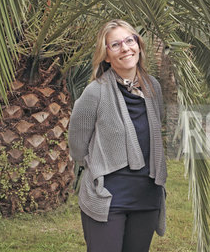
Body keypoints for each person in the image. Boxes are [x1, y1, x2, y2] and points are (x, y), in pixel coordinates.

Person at [69, 19, 167, 252]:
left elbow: (155, 128)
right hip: (108, 197)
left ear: (139, 45)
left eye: (129, 40)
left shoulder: (153, 87)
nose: (125, 48)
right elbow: (77, 145)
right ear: (106, 55)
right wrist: (100, 166)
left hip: (147, 196)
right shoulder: (95, 92)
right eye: (115, 45)